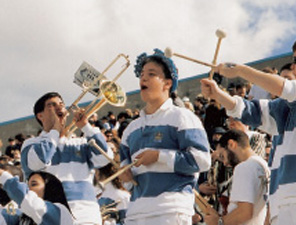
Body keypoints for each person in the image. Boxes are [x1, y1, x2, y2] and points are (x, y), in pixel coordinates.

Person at [201, 31, 296, 225]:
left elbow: (290, 89)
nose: (293, 66)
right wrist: (218, 94)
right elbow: (252, 110)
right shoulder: (290, 105)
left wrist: (241, 71)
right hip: (285, 203)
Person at [119, 49, 211, 224]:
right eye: (142, 75)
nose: (143, 79)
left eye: (151, 74)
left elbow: (202, 160)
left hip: (171, 211)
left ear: (167, 83)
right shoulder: (130, 129)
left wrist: (158, 156)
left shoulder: (182, 117)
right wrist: (125, 176)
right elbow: (128, 179)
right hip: (135, 213)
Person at [20, 92, 114, 225]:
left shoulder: (80, 142)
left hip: (87, 217)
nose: (59, 107)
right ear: (40, 116)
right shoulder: (32, 144)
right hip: (51, 216)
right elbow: (38, 161)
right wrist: (54, 132)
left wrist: (86, 127)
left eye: (61, 104)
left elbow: (105, 157)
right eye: (51, 105)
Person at [204, 129, 270, 225]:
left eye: (222, 156)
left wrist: (219, 222)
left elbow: (245, 212)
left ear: (231, 144)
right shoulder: (263, 165)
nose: (225, 163)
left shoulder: (244, 167)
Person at [0, 169, 74, 224]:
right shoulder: (22, 217)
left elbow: (30, 202)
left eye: (33, 184)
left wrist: (2, 175)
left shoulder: (60, 212)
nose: (28, 189)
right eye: (27, 185)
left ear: (50, 188)